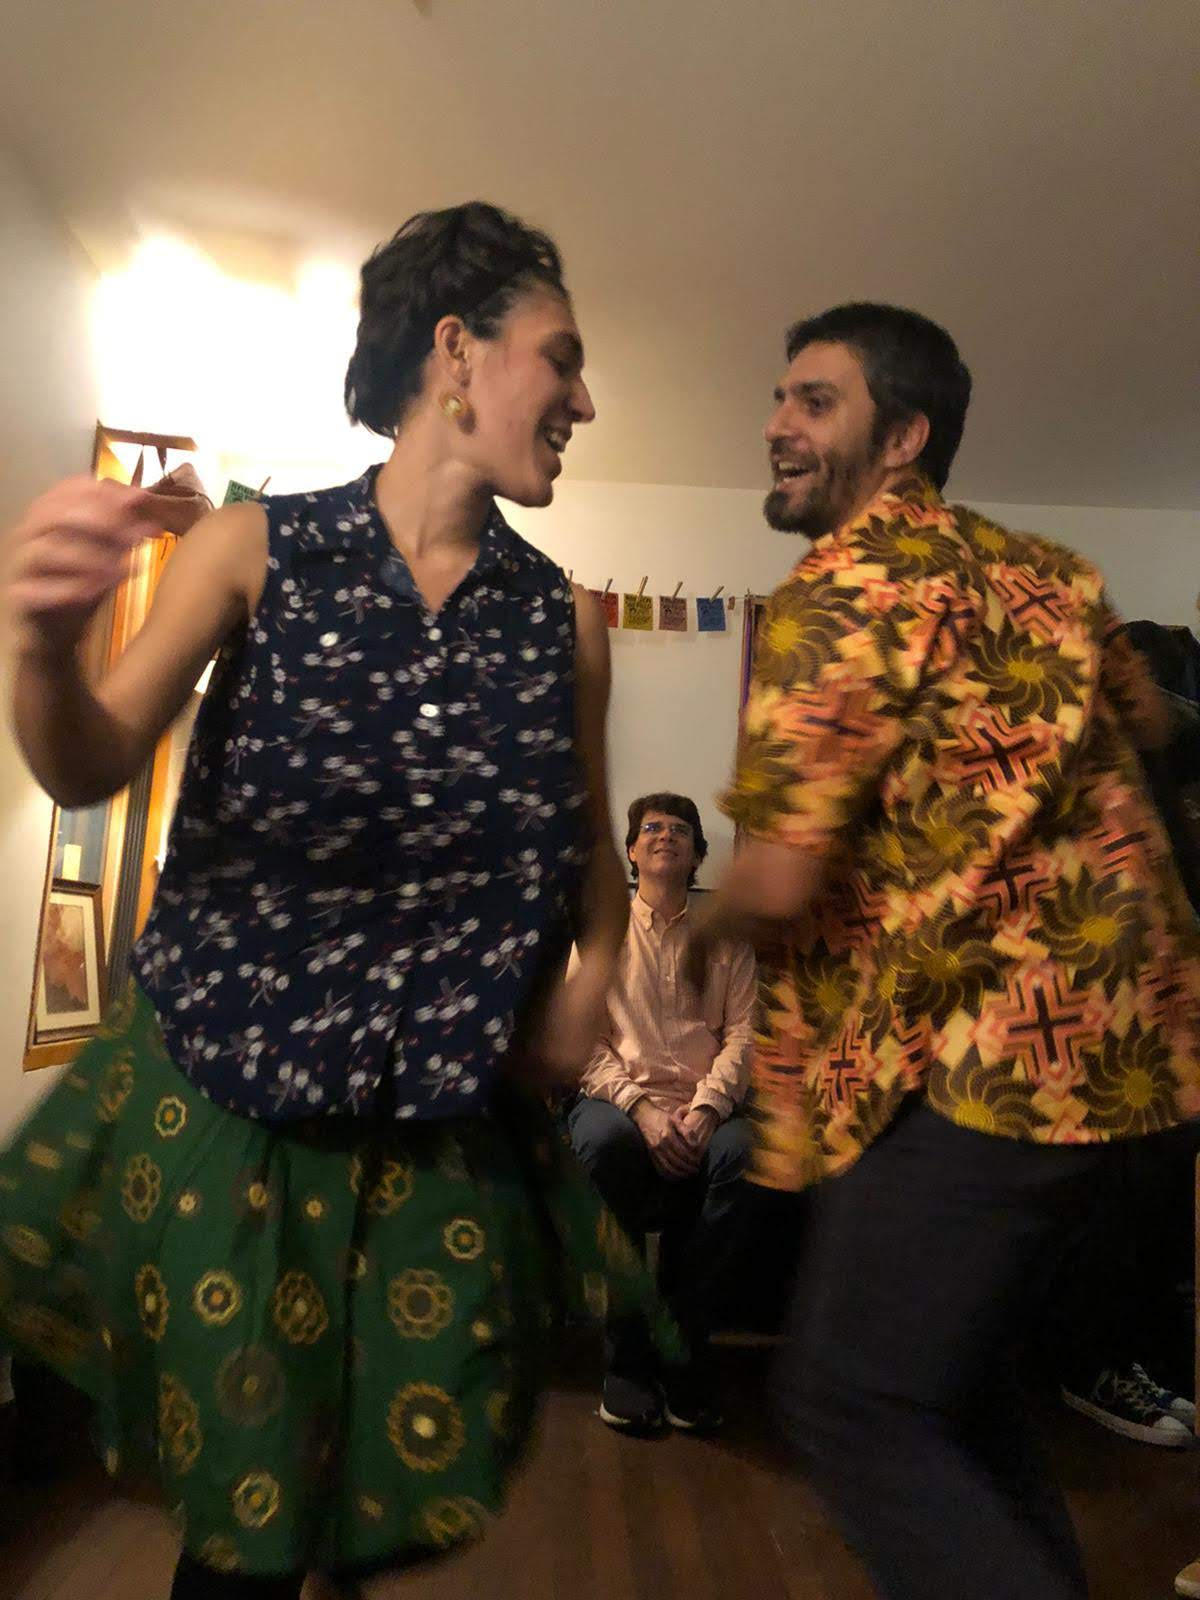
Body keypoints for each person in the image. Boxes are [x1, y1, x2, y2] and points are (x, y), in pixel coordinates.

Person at [0, 202, 674, 1600]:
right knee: (248, 1525)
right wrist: (42, 647)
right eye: (563, 358)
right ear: (457, 352)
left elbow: (591, 857)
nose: (585, 400)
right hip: (232, 1111)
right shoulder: (255, 549)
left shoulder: (566, 620)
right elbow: (87, 758)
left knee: (373, 1503)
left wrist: (590, 977)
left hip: (439, 1135)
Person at [685, 302, 1200, 1599]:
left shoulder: (843, 587)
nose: (776, 424)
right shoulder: (1047, 570)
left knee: (853, 1400)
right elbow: (1153, 719)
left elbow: (779, 875)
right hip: (1137, 1055)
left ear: (904, 436)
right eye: (779, 397)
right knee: (952, 1392)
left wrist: (693, 927)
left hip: (993, 1058)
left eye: (814, 401)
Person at [568, 793, 755, 1432]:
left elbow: (744, 1035)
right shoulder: (601, 931)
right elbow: (584, 1041)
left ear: (698, 853)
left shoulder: (727, 934)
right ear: (631, 850)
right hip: (620, 1104)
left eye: (680, 829)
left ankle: (683, 1352)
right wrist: (641, 1109)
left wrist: (705, 1112)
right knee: (604, 1142)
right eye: (651, 827)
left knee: (741, 1153)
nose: (665, 835)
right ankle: (625, 1360)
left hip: (706, 1107)